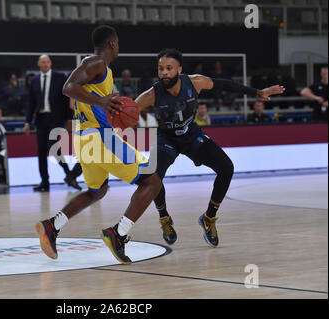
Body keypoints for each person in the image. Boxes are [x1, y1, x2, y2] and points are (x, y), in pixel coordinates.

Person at [35, 25, 162, 264]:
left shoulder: (99, 69)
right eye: (118, 43)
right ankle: (119, 233)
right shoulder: (97, 64)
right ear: (113, 43)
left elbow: (92, 98)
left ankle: (53, 226)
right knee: (152, 181)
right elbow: (68, 87)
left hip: (84, 140)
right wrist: (101, 102)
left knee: (98, 190)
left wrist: (110, 110)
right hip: (99, 139)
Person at [135, 48, 284, 247]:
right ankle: (164, 218)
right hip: (166, 138)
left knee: (226, 168)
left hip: (191, 134)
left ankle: (209, 218)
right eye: (161, 68)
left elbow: (225, 85)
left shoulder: (195, 82)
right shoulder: (151, 95)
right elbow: (128, 112)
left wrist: (256, 92)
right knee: (153, 175)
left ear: (179, 69)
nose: (164, 72)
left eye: (169, 68)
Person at [24, 54, 80, 192]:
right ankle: (45, 182)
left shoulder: (60, 77)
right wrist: (27, 121)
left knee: (53, 146)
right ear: (38, 64)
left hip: (56, 118)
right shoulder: (35, 81)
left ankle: (69, 174)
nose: (45, 64)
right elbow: (31, 103)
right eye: (43, 62)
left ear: (50, 63)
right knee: (41, 151)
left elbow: (67, 99)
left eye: (47, 62)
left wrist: (69, 118)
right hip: (41, 118)